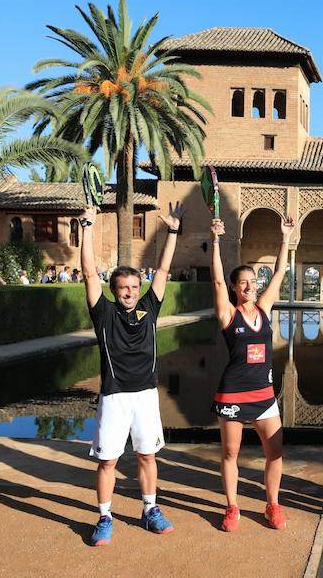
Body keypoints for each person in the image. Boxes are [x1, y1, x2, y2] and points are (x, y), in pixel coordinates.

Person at [79, 202, 184, 547]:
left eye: (134, 287)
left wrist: (172, 231)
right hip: (114, 396)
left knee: (146, 456)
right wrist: (88, 226)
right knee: (107, 461)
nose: (129, 292)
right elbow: (90, 274)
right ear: (115, 290)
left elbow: (165, 270)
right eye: (123, 287)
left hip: (145, 395)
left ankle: (150, 509)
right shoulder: (104, 314)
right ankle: (105, 517)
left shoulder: (149, 309)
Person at [209, 215, 295, 532]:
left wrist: (285, 238)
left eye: (253, 281)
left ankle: (272, 505)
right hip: (233, 393)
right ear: (234, 287)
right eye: (243, 282)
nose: (250, 285)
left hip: (264, 394)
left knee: (275, 452)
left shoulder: (264, 308)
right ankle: (232, 508)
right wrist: (216, 240)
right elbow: (216, 281)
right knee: (230, 453)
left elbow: (280, 272)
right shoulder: (228, 314)